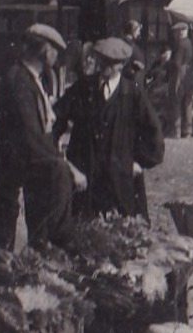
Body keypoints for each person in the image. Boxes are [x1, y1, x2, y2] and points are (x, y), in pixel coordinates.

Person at [0, 24, 85, 251]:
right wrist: (66, 165)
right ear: (44, 50)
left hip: (32, 163)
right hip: (22, 166)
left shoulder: (30, 78)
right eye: (54, 51)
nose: (57, 56)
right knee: (56, 190)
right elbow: (29, 134)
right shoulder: (18, 81)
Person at [53, 36, 165, 221]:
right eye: (101, 60)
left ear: (121, 65)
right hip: (85, 175)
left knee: (120, 230)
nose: (104, 66)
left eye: (111, 63)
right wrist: (63, 160)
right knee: (82, 230)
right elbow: (56, 120)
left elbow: (154, 132)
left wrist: (140, 162)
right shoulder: (83, 88)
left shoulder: (133, 93)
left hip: (120, 178)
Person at [168, 22, 193, 138]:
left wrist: (168, 62)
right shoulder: (190, 42)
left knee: (176, 102)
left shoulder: (180, 44)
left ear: (181, 31)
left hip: (180, 74)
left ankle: (176, 130)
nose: (176, 34)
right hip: (190, 74)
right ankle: (188, 130)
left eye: (177, 32)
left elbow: (176, 63)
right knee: (188, 103)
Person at [121, 19, 147, 85]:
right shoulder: (126, 43)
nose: (139, 33)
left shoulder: (131, 43)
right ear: (132, 31)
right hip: (129, 79)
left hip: (134, 78)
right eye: (137, 31)